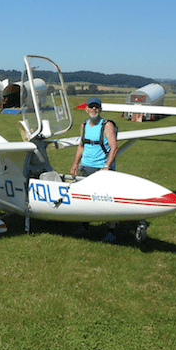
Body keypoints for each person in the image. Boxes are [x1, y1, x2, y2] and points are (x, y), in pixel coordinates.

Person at [70, 97, 119, 242]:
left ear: (100, 109)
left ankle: (111, 231)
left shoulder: (107, 125)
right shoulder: (84, 125)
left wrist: (107, 166)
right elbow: (81, 145)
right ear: (86, 109)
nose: (93, 109)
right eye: (91, 107)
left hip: (101, 169)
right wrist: (74, 164)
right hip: (85, 167)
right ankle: (85, 227)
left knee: (108, 201)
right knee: (84, 199)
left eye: (96, 107)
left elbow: (114, 147)